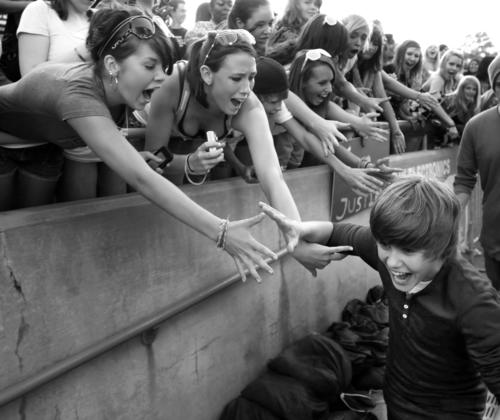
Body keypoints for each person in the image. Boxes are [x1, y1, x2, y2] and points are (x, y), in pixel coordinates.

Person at [0, 8, 281, 282]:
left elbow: (135, 159)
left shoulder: (118, 89)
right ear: (112, 65)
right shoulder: (79, 94)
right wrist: (221, 232)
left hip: (40, 148)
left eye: (164, 67)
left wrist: (141, 153)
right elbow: (141, 178)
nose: (161, 76)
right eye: (150, 66)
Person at [260, 175, 500, 419]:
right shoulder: (389, 255)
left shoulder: (474, 301)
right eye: (385, 245)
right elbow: (338, 231)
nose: (392, 262)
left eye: (407, 250)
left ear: (441, 246)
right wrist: (302, 230)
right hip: (396, 400)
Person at [143, 28, 302, 231]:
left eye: (252, 77)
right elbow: (150, 160)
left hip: (188, 146)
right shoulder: (173, 84)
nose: (246, 89)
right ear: (207, 74)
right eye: (237, 78)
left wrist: (298, 232)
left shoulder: (249, 104)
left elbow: (272, 176)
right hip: (139, 135)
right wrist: (188, 163)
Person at [254, 55, 398, 195]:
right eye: (322, 83)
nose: (329, 89)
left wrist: (363, 166)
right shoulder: (252, 104)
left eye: (331, 82)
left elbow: (308, 139)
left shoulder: (281, 104)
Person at [454, 54, 500, 290]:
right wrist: (447, 212)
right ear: (494, 87)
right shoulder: (476, 127)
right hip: (495, 239)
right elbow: (464, 179)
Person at [345, 20, 406, 153]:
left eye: (376, 44)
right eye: (369, 42)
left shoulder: (373, 68)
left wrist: (396, 130)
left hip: (365, 120)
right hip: (344, 119)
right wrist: (355, 95)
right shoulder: (346, 61)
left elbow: (382, 98)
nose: (371, 47)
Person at [266, 0, 321, 65]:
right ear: (295, 5)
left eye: (316, 4)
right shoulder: (284, 32)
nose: (313, 7)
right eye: (307, 3)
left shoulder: (316, 33)